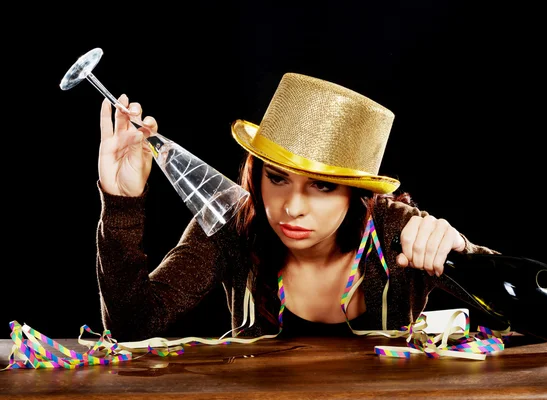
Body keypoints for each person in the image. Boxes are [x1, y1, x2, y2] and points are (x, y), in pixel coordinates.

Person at [96, 72, 499, 342]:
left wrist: (461, 252)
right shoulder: (230, 225)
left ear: (357, 195)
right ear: (256, 176)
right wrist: (122, 205)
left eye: (322, 187)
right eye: (277, 178)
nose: (292, 207)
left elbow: (529, 316)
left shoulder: (395, 233)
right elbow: (133, 326)